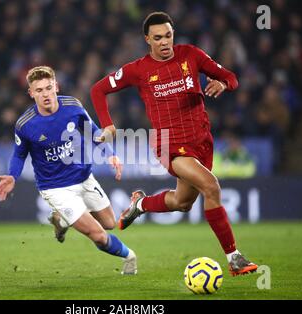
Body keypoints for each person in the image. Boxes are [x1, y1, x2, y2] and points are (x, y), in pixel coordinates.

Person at [90, 12, 257, 276]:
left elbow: (232, 76)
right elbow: (98, 89)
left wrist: (223, 83)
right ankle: (234, 258)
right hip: (171, 145)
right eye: (158, 38)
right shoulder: (138, 70)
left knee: (183, 202)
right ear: (147, 39)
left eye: (168, 35)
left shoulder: (191, 54)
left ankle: (141, 204)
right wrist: (107, 124)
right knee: (211, 186)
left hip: (201, 140)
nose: (165, 42)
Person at [0, 66, 137, 275]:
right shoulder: (25, 124)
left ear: (56, 87)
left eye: (48, 88)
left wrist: (110, 153)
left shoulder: (72, 106)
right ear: (31, 93)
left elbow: (94, 132)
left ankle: (61, 220)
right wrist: (12, 176)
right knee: (98, 235)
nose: (45, 94)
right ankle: (130, 257)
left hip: (84, 177)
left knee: (109, 223)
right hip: (55, 188)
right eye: (39, 90)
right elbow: (19, 154)